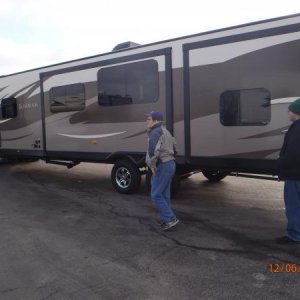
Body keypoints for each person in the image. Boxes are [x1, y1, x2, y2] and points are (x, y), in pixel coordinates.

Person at [145, 111, 179, 230]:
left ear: (155, 120)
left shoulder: (155, 132)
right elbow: (175, 148)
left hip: (162, 166)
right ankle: (167, 220)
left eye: (148, 119)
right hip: (170, 164)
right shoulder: (166, 131)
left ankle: (170, 218)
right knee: (164, 194)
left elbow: (153, 152)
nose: (146, 121)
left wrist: (152, 166)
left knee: (155, 195)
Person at [277, 98, 300, 244]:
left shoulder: (297, 129)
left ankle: (295, 235)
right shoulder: (296, 127)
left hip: (295, 174)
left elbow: (293, 154)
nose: (288, 113)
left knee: (293, 205)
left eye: (289, 111)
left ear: (296, 113)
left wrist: (280, 165)